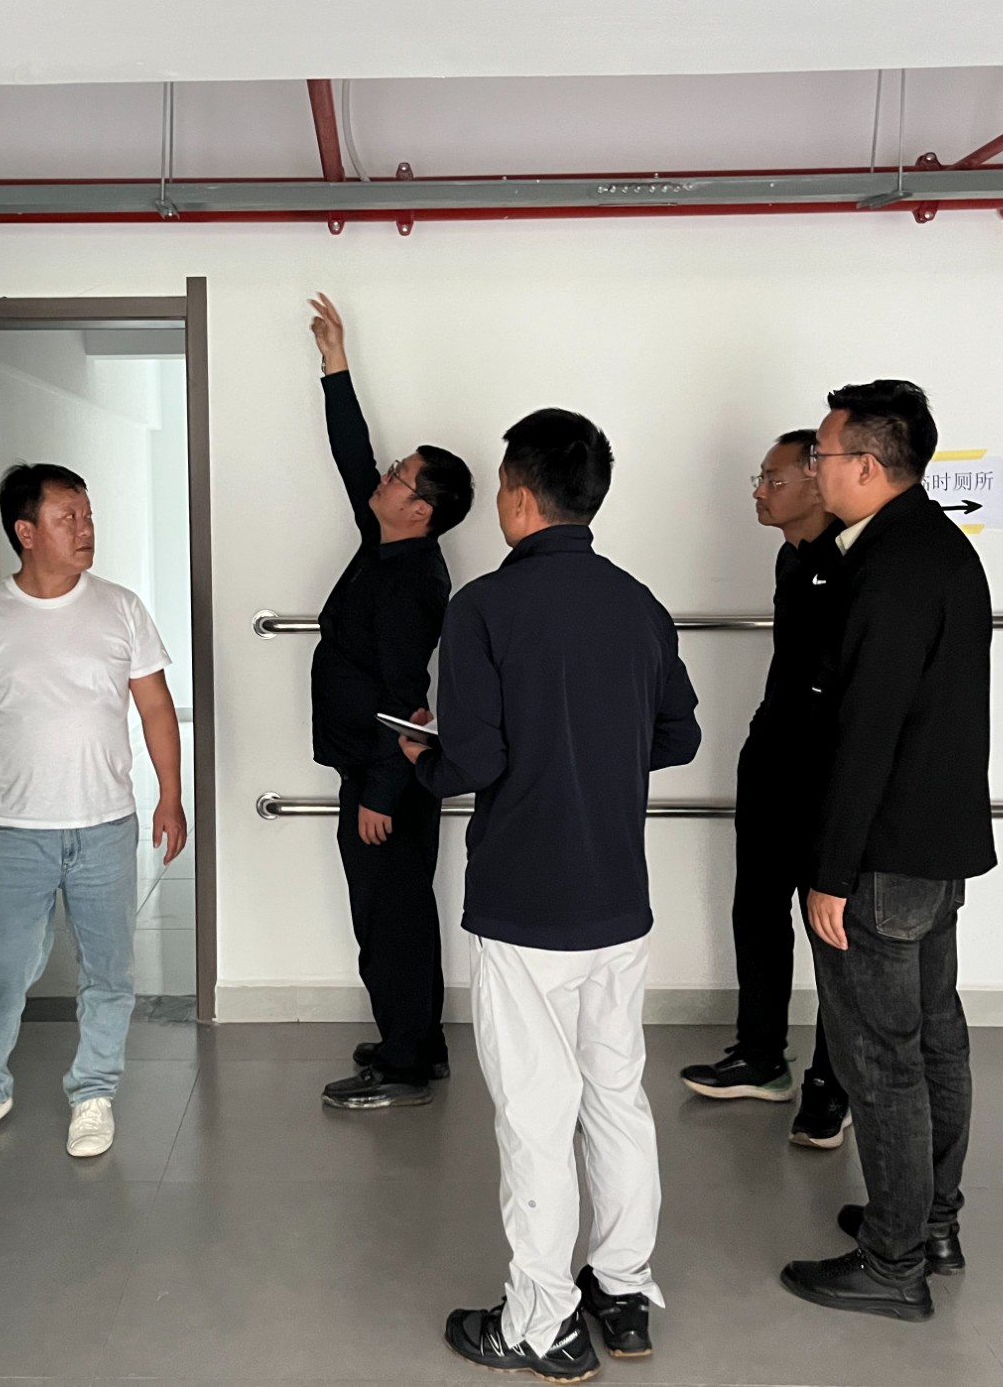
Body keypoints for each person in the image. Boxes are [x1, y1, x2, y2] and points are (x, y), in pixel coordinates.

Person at [402, 409, 701, 1382]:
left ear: (521, 497)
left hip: (525, 904)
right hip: (616, 899)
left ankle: (540, 1324)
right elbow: (679, 735)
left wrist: (419, 755)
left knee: (535, 1116)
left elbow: (473, 761)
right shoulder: (638, 604)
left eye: (500, 486)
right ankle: (622, 1290)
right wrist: (596, 750)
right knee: (615, 1097)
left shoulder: (483, 608)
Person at [779, 380, 994, 1322]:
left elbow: (864, 732)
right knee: (934, 1038)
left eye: (821, 456)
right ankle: (930, 1222)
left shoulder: (889, 567)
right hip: (934, 846)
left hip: (880, 855)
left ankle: (894, 1261)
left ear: (867, 466)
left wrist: (831, 873)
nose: (814, 469)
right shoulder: (936, 546)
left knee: (882, 1058)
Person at [0, 463, 186, 1162]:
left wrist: (170, 795)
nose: (85, 528)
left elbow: (156, 707)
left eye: (88, 515)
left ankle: (93, 1092)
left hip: (105, 824)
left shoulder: (120, 608)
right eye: (68, 517)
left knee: (109, 971)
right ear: (26, 531)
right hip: (14, 829)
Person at [303, 293, 475, 1110]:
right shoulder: (388, 541)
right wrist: (335, 366)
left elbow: (409, 701)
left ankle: (404, 1064)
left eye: (400, 476)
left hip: (390, 781)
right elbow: (353, 457)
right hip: (375, 771)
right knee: (395, 913)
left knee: (390, 920)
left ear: (422, 508)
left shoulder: (412, 581)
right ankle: (418, 1043)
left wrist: (378, 792)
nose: (385, 477)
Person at [681, 429, 852, 1148]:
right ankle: (760, 1055)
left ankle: (832, 1084)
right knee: (756, 907)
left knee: (832, 929)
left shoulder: (853, 560)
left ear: (817, 481)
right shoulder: (791, 559)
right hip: (773, 760)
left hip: (826, 773)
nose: (759, 491)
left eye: (773, 480)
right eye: (758, 478)